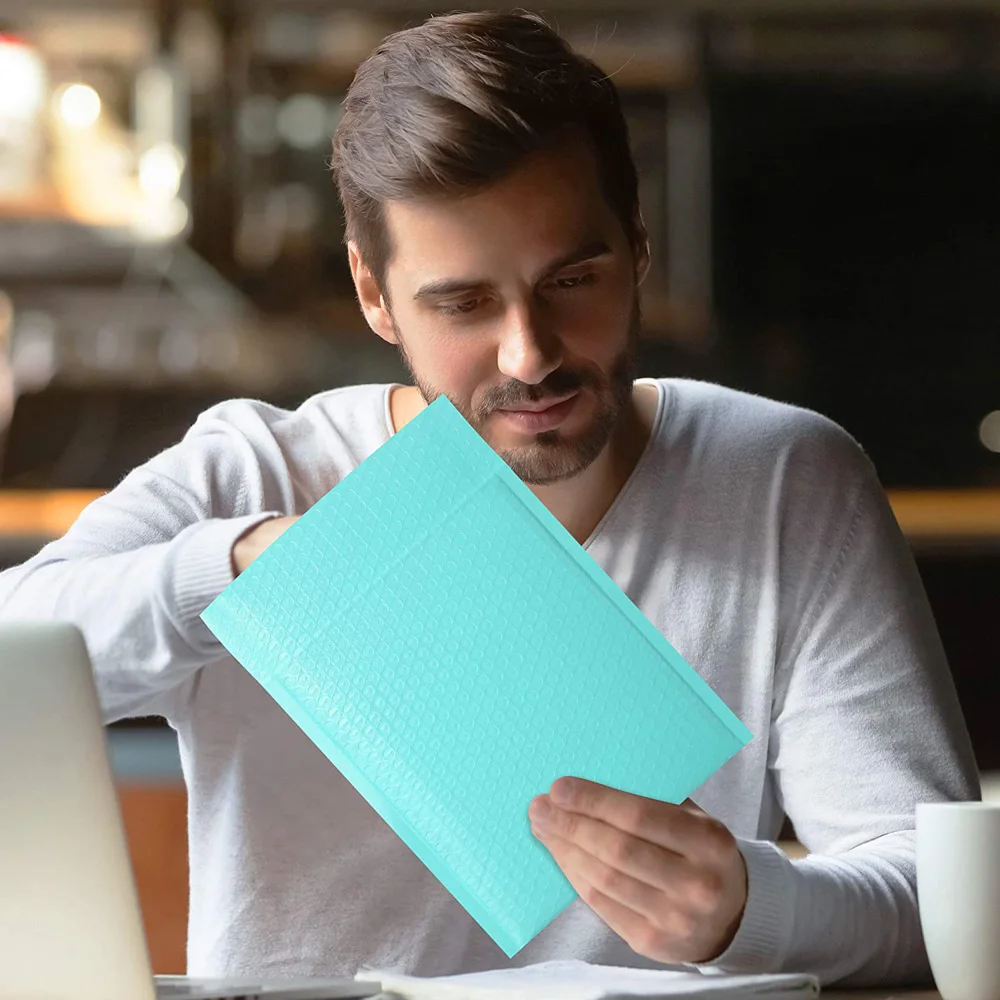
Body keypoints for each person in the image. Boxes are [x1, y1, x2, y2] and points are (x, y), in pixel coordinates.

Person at [0, 9, 979, 988]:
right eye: (463, 303)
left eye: (571, 278)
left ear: (638, 246)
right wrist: (241, 563)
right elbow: (16, 657)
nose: (530, 353)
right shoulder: (254, 471)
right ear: (373, 294)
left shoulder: (781, 481)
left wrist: (747, 909)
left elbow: (937, 905)